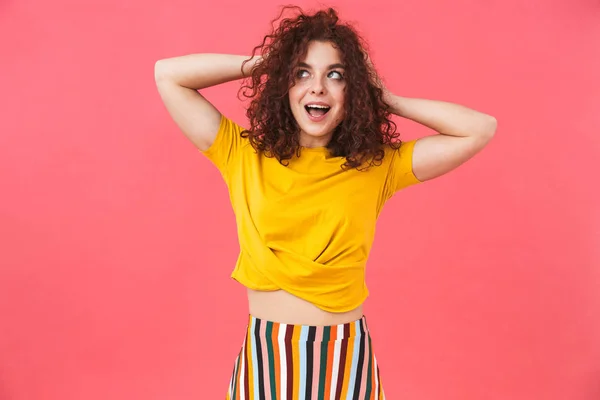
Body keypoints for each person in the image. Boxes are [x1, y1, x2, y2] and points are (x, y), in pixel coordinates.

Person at [154, 6, 496, 399]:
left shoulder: (378, 165)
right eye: (302, 73)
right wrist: (270, 61)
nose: (317, 88)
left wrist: (385, 96)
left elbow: (479, 129)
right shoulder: (242, 154)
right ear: (284, 83)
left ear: (353, 90)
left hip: (345, 360)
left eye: (335, 75)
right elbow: (168, 74)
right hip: (266, 357)